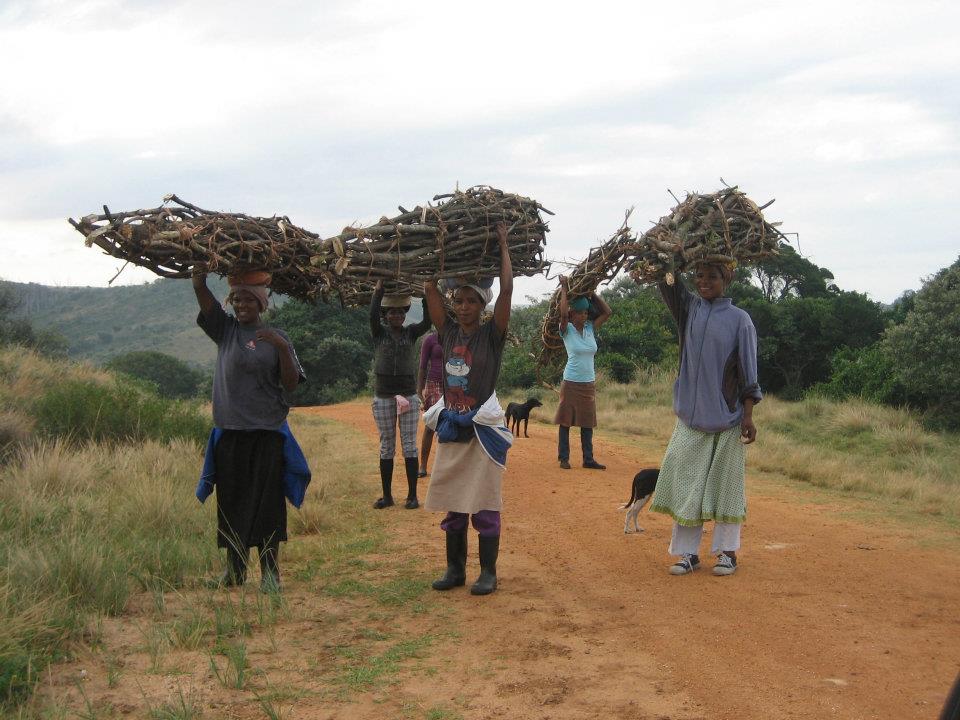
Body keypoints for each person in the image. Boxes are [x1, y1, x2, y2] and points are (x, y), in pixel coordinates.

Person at [192, 269, 308, 593]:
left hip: (267, 433)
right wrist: (198, 277)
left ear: (261, 304)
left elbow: (291, 385)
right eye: (237, 299)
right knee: (232, 503)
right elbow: (204, 298)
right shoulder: (225, 331)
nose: (242, 305)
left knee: (268, 504)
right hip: (229, 433)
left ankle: (271, 573)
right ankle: (234, 572)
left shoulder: (277, 336)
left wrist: (282, 348)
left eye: (248, 300)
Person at [644, 261, 761, 577]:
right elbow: (668, 281)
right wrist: (667, 256)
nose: (704, 282)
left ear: (728, 279)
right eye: (699, 276)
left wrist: (748, 414)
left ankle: (727, 554)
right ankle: (687, 554)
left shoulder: (741, 321)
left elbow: (750, 372)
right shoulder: (688, 310)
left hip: (727, 418)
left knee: (726, 488)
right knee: (686, 485)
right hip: (689, 419)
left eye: (713, 276)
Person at [422, 222, 513, 596]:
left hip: (482, 429)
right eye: (458, 301)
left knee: (486, 507)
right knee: (454, 506)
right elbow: (429, 288)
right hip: (452, 428)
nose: (463, 307)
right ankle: (454, 569)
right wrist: (435, 248)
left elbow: (507, 288)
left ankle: (488, 572)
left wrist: (504, 244)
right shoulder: (446, 333)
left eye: (470, 301)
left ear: (482, 305)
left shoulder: (492, 335)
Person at [370, 280, 432, 509]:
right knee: (387, 445)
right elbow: (372, 314)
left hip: (407, 395)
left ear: (405, 315)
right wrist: (379, 291)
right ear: (385, 316)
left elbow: (428, 321)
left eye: (399, 312)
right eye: (391, 312)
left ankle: (412, 496)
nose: (396, 316)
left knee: (409, 445)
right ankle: (387, 496)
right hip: (384, 395)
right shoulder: (379, 333)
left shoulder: (412, 333)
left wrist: (427, 294)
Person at [553, 275, 612, 470]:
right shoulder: (566, 329)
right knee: (566, 421)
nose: (584, 316)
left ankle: (588, 459)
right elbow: (562, 315)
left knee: (587, 423)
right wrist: (564, 288)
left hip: (588, 382)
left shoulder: (589, 328)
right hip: (570, 382)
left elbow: (607, 312)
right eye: (580, 313)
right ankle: (564, 458)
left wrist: (592, 293)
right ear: (572, 314)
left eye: (586, 312)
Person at [416, 331, 444, 478]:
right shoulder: (430, 339)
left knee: (449, 424)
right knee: (431, 424)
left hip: (454, 384)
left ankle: (444, 466)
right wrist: (420, 390)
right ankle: (423, 465)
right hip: (434, 384)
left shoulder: (458, 335)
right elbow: (422, 366)